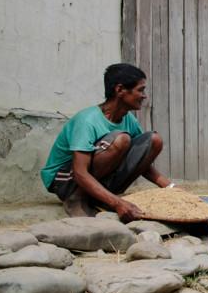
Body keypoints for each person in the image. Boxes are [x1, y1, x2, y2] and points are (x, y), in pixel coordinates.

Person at [40, 63, 171, 221]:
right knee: (121, 140)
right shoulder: (87, 120)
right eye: (140, 90)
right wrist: (117, 204)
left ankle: (99, 197)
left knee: (154, 140)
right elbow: (80, 172)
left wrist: (171, 188)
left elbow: (142, 160)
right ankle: (77, 199)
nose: (144, 96)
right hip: (66, 182)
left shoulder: (128, 119)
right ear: (120, 90)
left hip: (95, 179)